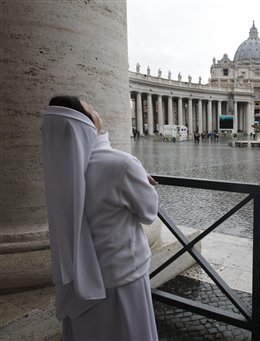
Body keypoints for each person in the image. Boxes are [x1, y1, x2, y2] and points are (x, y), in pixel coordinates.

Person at [42, 96, 159, 340]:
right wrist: (138, 176)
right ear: (85, 123)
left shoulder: (58, 170)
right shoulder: (122, 164)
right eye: (91, 109)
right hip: (122, 278)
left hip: (78, 281)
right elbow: (149, 213)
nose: (97, 112)